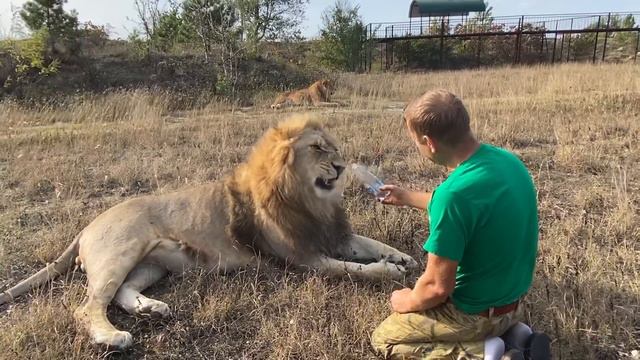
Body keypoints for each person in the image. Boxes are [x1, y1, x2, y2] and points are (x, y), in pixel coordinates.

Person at [370, 90, 551, 360]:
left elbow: (437, 288)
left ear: (429, 142)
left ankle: (481, 352)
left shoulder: (452, 196)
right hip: (513, 305)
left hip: (472, 315)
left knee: (384, 339)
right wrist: (407, 197)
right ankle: (517, 337)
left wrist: (405, 299)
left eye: (415, 143)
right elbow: (469, 205)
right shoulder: (508, 162)